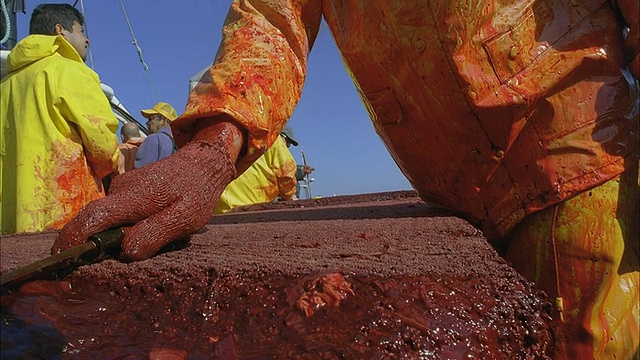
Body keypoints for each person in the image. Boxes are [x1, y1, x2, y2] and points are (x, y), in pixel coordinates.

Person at [54, 1, 639, 358]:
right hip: (453, 189)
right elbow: (271, 19)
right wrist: (212, 147)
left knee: (593, 341)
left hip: (579, 152)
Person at [0, 3, 121, 234]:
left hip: (11, 225)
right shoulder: (70, 70)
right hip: (66, 217)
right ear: (60, 30)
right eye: (80, 31)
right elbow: (103, 147)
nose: (87, 40)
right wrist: (115, 164)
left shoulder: (5, 85)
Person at [214, 132, 297, 214]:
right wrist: (290, 196)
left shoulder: (223, 132)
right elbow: (286, 172)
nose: (287, 146)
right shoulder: (272, 136)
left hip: (217, 211)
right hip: (252, 210)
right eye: (287, 143)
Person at [134, 102, 177, 169]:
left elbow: (140, 172)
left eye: (151, 119)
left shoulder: (153, 139)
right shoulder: (179, 142)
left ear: (163, 120)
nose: (147, 123)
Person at [281, 125, 314, 198]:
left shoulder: (279, 155)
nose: (289, 145)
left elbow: (284, 170)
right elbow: (279, 171)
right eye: (288, 141)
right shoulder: (269, 152)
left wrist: (301, 170)